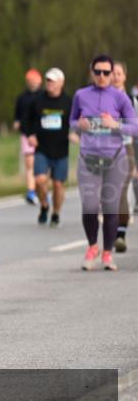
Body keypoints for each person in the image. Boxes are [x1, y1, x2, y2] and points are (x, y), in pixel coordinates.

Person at [70, 55, 138, 271]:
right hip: (88, 159)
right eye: (97, 72)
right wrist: (79, 125)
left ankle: (107, 253)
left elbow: (135, 127)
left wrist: (115, 124)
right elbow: (72, 121)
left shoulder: (120, 97)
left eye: (106, 72)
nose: (102, 76)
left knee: (110, 208)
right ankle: (92, 247)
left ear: (111, 74)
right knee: (89, 206)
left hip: (115, 159)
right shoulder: (80, 95)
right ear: (92, 72)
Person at [23, 68, 72, 228]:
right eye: (48, 80)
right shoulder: (37, 101)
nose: (49, 83)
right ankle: (44, 205)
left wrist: (75, 133)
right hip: (42, 149)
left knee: (58, 184)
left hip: (61, 150)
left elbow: (77, 121)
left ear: (61, 83)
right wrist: (30, 135)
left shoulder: (68, 102)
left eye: (53, 80)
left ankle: (56, 213)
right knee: (40, 180)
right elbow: (26, 121)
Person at [111, 61, 134, 253]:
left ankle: (120, 235)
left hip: (126, 148)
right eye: (113, 73)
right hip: (104, 148)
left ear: (125, 76)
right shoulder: (102, 99)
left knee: (121, 191)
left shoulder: (132, 101)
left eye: (119, 73)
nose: (115, 76)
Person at [14, 68, 43, 204]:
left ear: (39, 81)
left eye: (34, 80)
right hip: (27, 134)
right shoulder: (22, 98)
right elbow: (17, 116)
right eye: (29, 80)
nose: (32, 82)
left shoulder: (44, 96)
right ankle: (31, 191)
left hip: (43, 135)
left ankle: (41, 190)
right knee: (30, 163)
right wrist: (17, 123)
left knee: (42, 164)